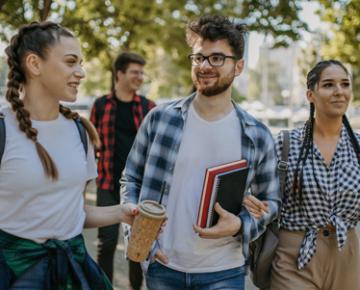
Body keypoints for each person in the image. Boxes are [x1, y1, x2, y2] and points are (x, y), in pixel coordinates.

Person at [120, 15, 280, 290]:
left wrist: (240, 226)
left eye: (217, 58)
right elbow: (131, 180)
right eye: (198, 58)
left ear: (238, 66)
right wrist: (141, 239)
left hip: (225, 272)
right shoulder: (159, 119)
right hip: (163, 264)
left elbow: (272, 202)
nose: (205, 66)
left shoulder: (257, 135)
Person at [0, 21, 136, 289]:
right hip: (13, 274)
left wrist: (122, 213)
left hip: (73, 271)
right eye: (71, 62)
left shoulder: (79, 131)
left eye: (81, 63)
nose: (81, 72)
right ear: (34, 64)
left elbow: (73, 212)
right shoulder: (3, 129)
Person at [244, 60, 360, 290]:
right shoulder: (286, 144)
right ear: (311, 94)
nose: (339, 91)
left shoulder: (358, 145)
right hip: (293, 255)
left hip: (347, 255)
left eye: (345, 84)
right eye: (328, 85)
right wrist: (251, 203)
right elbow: (258, 196)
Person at [90, 52, 155, 289]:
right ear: (119, 74)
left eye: (141, 72)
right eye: (134, 72)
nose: (139, 77)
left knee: (137, 246)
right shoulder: (100, 105)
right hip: (107, 182)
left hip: (140, 187)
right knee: (106, 243)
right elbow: (92, 147)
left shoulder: (149, 107)